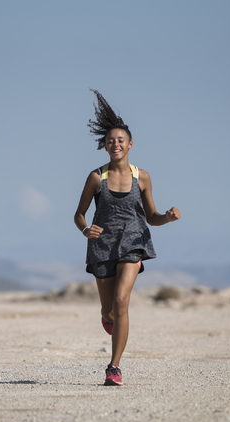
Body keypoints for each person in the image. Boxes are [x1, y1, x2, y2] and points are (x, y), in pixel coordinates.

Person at [74, 89, 181, 386]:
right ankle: (107, 317)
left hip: (133, 242)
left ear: (130, 144)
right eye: (110, 140)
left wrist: (167, 218)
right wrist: (86, 230)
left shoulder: (142, 177)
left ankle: (114, 366)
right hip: (102, 245)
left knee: (122, 301)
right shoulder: (96, 177)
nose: (116, 143)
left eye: (121, 140)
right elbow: (78, 214)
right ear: (105, 146)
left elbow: (151, 217)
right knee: (109, 310)